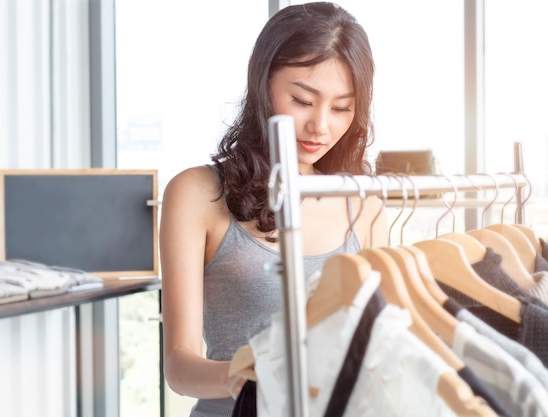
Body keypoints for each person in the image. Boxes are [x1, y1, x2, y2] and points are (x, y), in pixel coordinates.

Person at [159, 2, 387, 416]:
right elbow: (178, 366)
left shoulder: (363, 202)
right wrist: (251, 377)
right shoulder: (197, 194)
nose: (320, 125)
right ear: (263, 85)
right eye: (302, 100)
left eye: (341, 108)